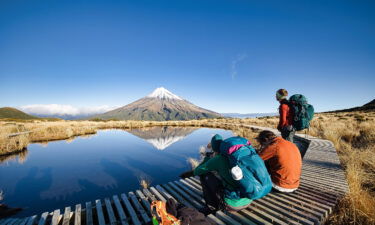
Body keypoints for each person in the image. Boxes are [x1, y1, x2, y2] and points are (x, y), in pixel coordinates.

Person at [182, 134, 271, 215]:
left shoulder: (218, 159)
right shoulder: (241, 155)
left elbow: (198, 171)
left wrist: (207, 159)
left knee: (205, 175)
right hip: (249, 198)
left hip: (232, 205)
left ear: (214, 148)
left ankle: (211, 207)